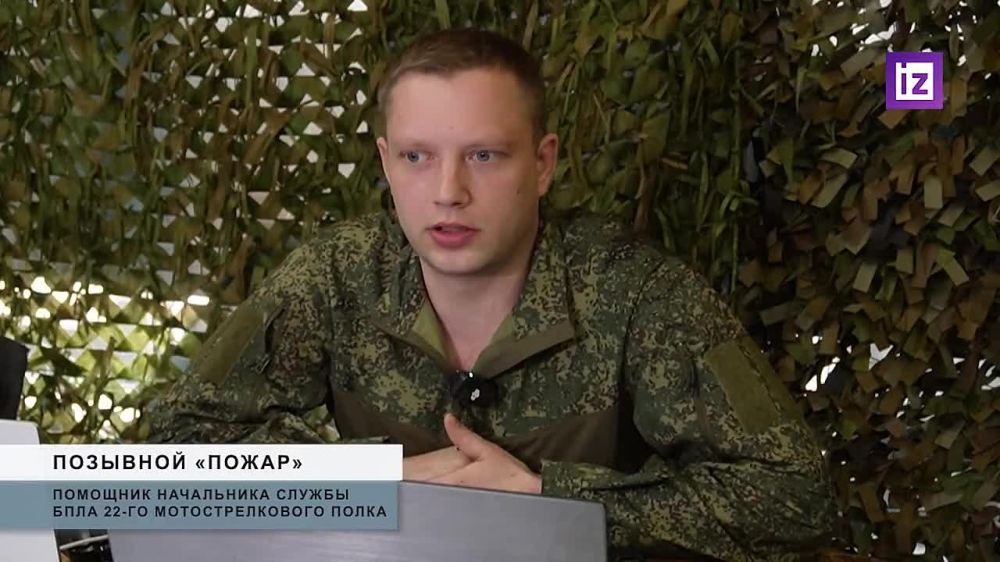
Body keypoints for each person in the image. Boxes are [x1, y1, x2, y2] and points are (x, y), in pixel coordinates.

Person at [146, 28, 838, 560]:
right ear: (386, 163)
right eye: (417, 157)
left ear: (542, 164)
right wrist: (379, 483)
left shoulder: (635, 292)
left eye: (484, 155)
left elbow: (795, 496)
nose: (448, 192)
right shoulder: (337, 274)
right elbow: (180, 442)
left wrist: (548, 498)